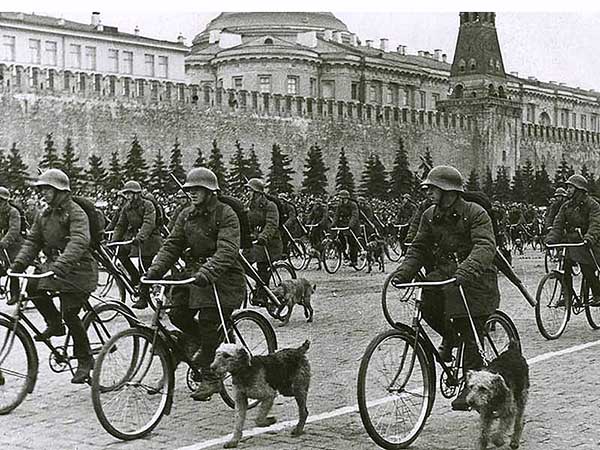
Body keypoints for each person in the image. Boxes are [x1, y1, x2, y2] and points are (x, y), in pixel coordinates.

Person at [392, 165, 500, 411]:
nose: (428, 192)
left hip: (476, 280)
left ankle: (470, 384)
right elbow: (419, 247)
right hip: (444, 275)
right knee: (427, 302)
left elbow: (485, 246)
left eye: (432, 188)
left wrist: (467, 270)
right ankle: (451, 338)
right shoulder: (429, 215)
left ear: (448, 191)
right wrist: (404, 272)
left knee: (468, 325)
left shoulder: (476, 213)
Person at [145, 167, 245, 400]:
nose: (192, 193)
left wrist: (208, 271)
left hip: (223, 276)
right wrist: (154, 270)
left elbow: (228, 251)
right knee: (177, 313)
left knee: (209, 320)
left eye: (197, 189)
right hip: (194, 274)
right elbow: (172, 245)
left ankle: (211, 378)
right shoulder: (186, 214)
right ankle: (205, 346)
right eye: (189, 189)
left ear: (211, 191)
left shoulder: (226, 214)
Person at [10, 169, 98, 384]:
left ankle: (85, 360)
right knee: (32, 287)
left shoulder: (76, 212)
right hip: (55, 268)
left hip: (79, 270)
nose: (44, 194)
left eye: (48, 189)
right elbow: (33, 241)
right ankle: (54, 323)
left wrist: (61, 264)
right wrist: (20, 263)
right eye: (42, 189)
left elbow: (79, 241)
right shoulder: (45, 214)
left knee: (70, 312)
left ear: (60, 191)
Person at [546, 175, 600, 307]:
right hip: (572, 242)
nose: (568, 190)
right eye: (568, 187)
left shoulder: (592, 205)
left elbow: (595, 224)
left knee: (586, 266)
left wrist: (589, 238)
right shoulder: (566, 206)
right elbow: (558, 224)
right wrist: (551, 239)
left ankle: (597, 293)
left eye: (571, 187)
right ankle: (567, 295)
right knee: (565, 265)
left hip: (590, 242)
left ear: (579, 189)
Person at [111, 180, 163, 309]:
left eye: (130, 193)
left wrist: (141, 237)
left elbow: (149, 223)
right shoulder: (127, 208)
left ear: (137, 194)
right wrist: (113, 241)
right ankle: (135, 278)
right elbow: (120, 225)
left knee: (144, 266)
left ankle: (143, 298)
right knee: (121, 254)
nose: (128, 196)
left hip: (151, 239)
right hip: (136, 239)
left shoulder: (148, 205)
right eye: (126, 194)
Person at [243, 178, 282, 304]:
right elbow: (245, 223)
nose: (247, 193)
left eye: (249, 190)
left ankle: (263, 292)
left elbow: (272, 224)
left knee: (262, 265)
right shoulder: (249, 206)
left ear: (257, 192)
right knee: (242, 263)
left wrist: (263, 237)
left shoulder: (270, 206)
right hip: (255, 241)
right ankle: (259, 285)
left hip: (270, 243)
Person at [0, 186, 24, 305]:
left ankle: (15, 293)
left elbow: (14, 229)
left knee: (13, 268)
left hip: (15, 244)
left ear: (6, 201)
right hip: (2, 244)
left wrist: (4, 242)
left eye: (0, 201)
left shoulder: (13, 212)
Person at [331, 190, 360, 266]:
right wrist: (333, 224)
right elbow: (336, 215)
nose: (341, 200)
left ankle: (354, 261)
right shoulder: (340, 205)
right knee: (340, 240)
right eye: (340, 198)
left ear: (347, 198)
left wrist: (350, 225)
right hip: (343, 224)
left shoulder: (353, 205)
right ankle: (345, 255)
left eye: (342, 198)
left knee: (352, 242)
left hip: (353, 225)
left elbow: (355, 215)